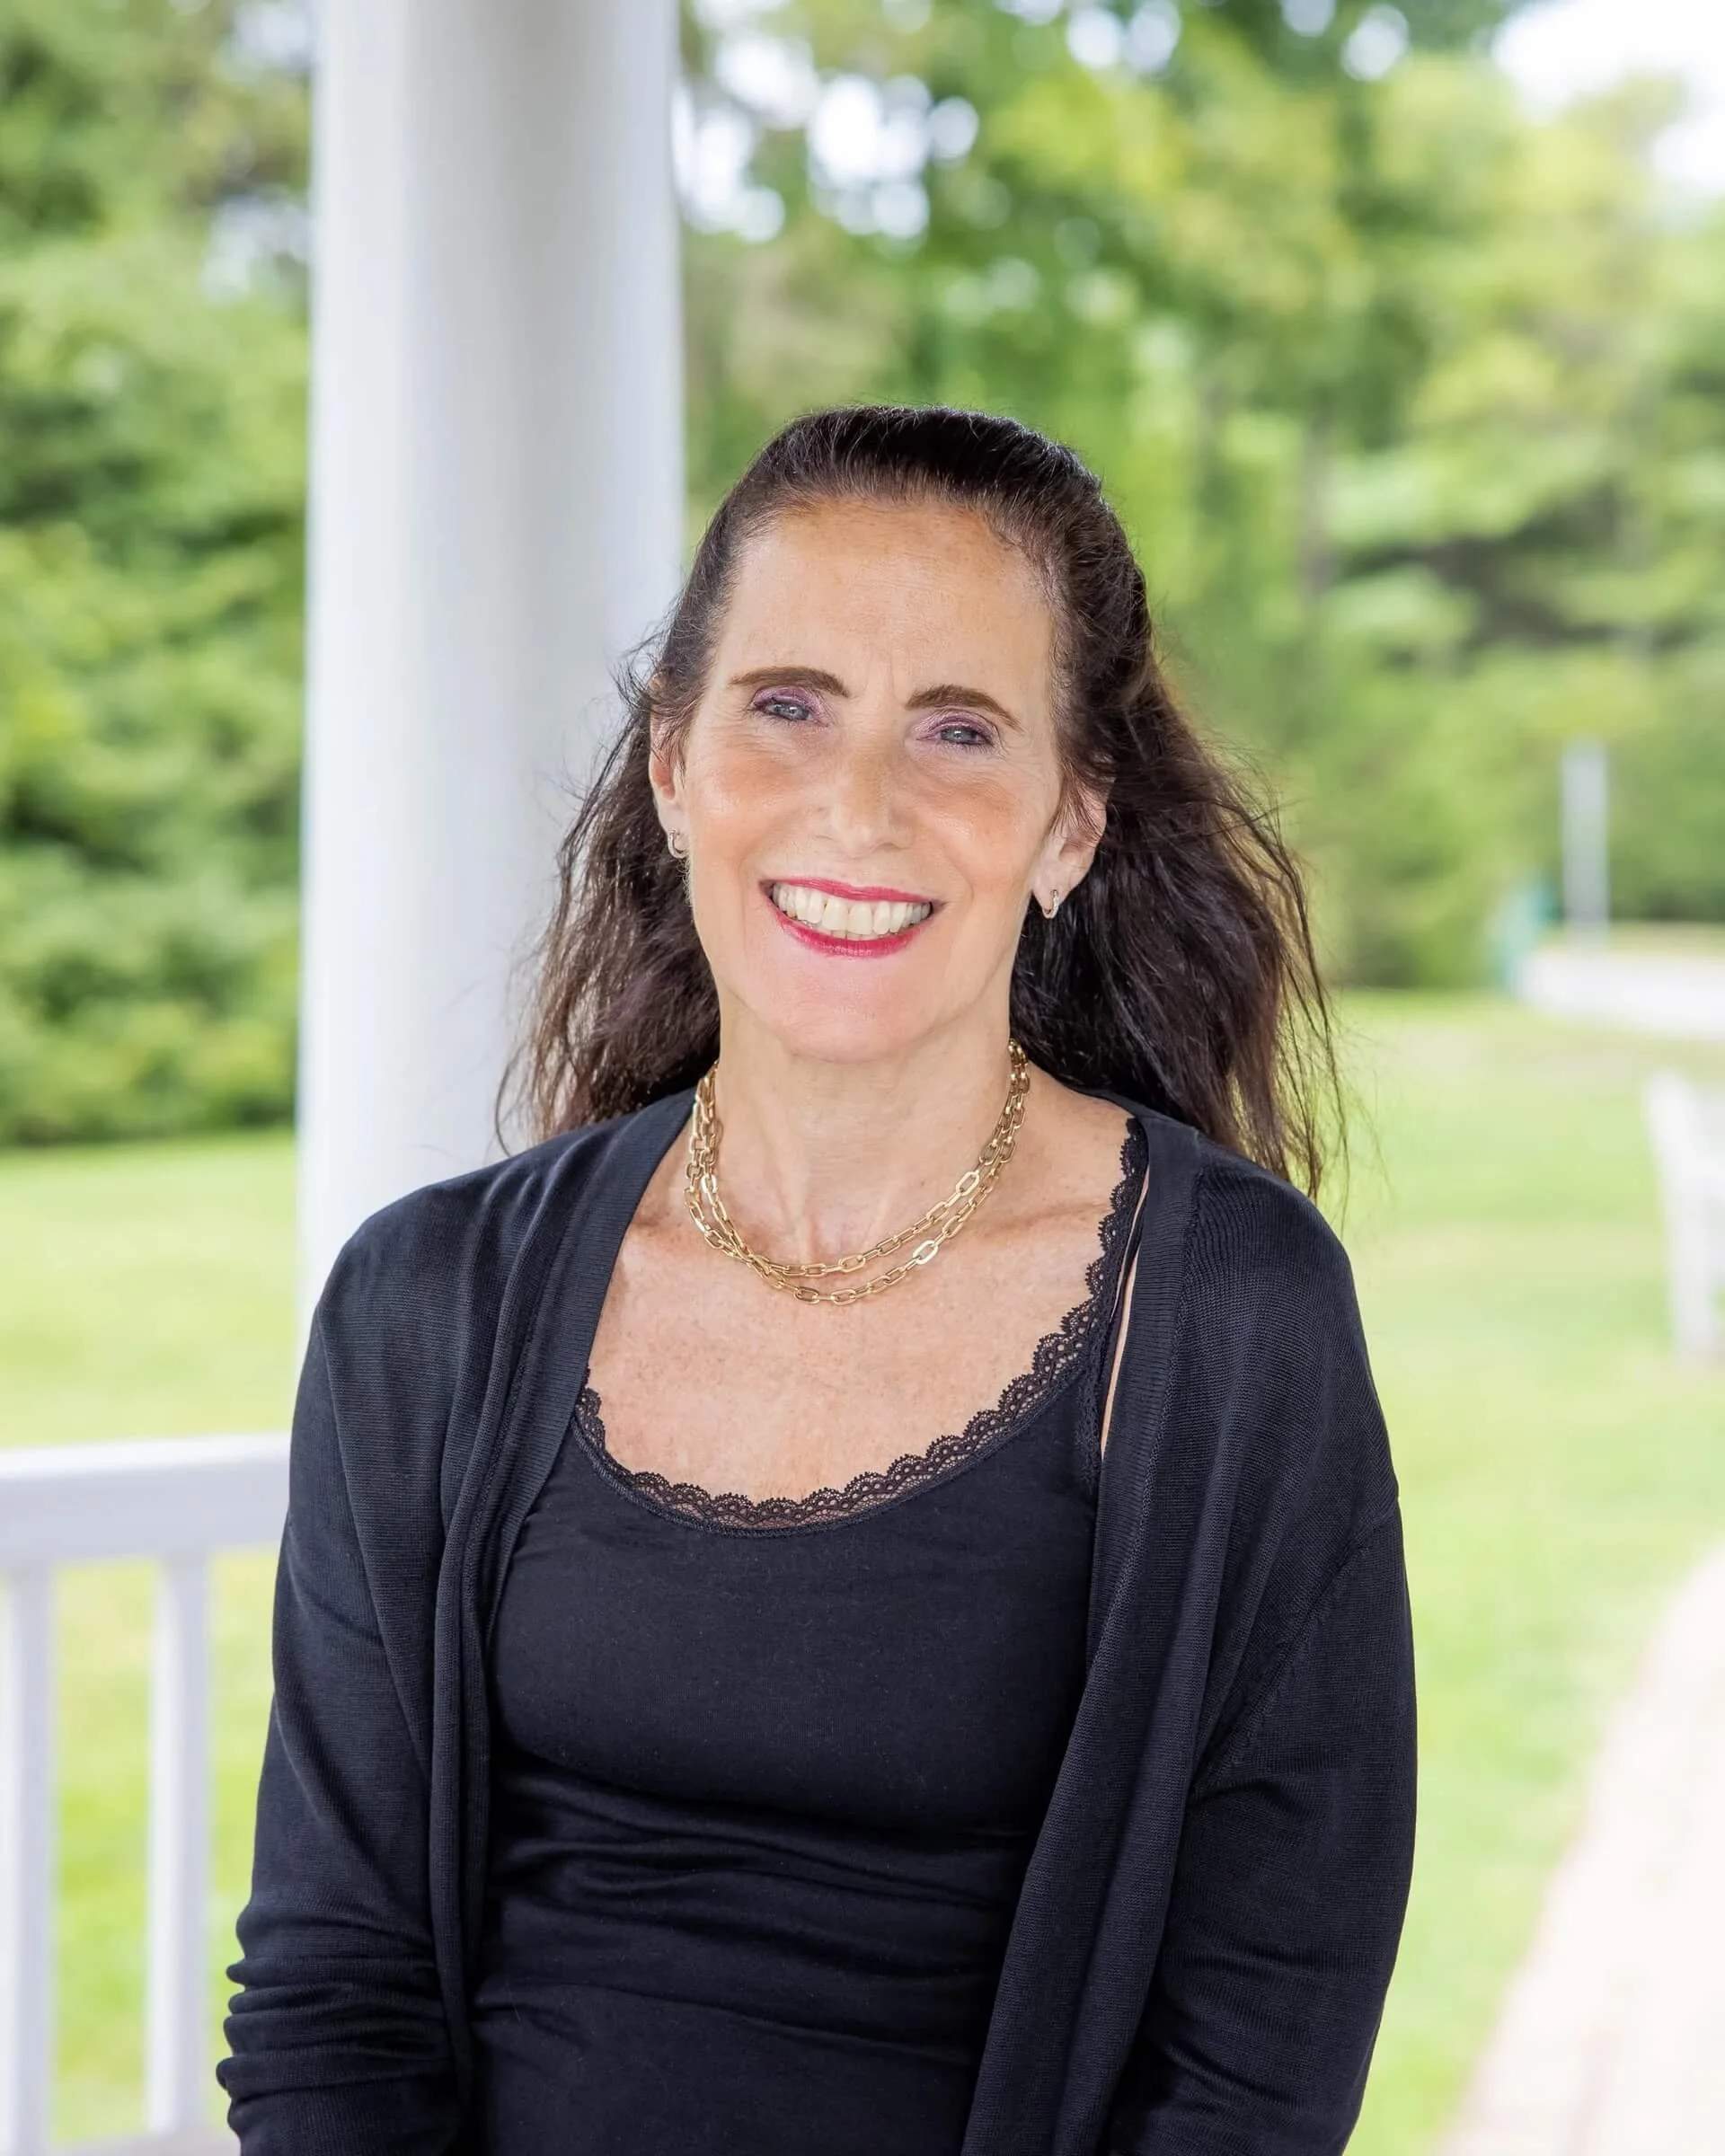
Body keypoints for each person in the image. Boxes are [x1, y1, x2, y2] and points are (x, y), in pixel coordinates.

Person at [219, 405, 1415, 2156]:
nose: (859, 805)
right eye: (788, 705)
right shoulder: (430, 1302)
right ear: (674, 765)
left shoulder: (1230, 1318)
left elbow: (1259, 2054)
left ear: (1069, 825)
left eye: (958, 728)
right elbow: (332, 1987)